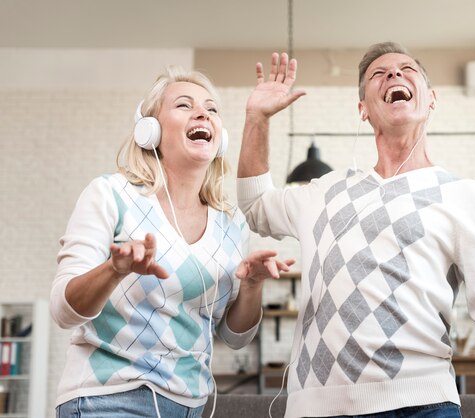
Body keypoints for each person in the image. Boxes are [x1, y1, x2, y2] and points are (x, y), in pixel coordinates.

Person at [236, 44, 475, 418]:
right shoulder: (323, 192)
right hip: (314, 409)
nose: (394, 75)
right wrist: (257, 118)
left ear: (431, 99)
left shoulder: (465, 197)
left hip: (420, 406)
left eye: (406, 69)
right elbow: (255, 206)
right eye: (378, 75)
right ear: (363, 109)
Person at [51, 65, 294, 417]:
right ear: (150, 131)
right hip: (108, 399)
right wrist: (114, 269)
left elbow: (234, 336)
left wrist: (253, 285)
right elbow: (63, 310)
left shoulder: (231, 222)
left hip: (190, 406)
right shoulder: (110, 194)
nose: (202, 113)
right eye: (184, 105)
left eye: (211, 109)